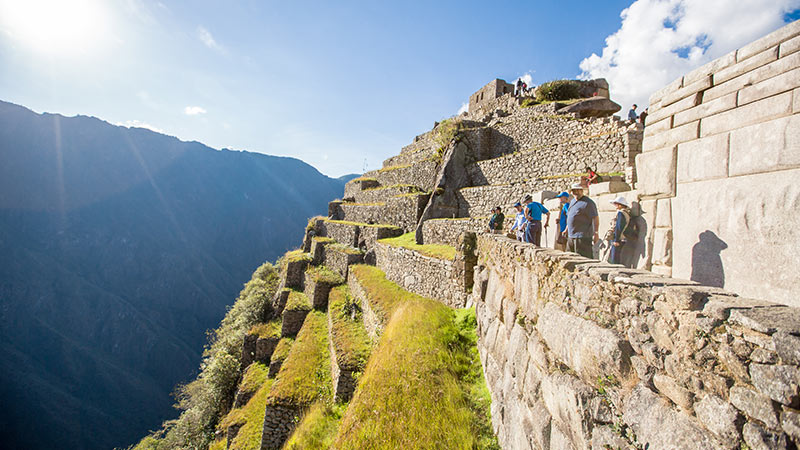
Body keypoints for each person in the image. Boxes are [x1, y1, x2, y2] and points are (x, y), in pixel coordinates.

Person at [566, 183, 599, 258]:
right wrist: (566, 229)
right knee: (570, 258)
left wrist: (596, 233)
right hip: (571, 236)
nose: (575, 192)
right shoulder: (572, 201)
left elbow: (595, 217)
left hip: (582, 236)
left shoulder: (588, 203)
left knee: (583, 258)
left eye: (577, 190)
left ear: (581, 191)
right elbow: (570, 216)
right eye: (573, 191)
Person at [609, 196, 631, 265]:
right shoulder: (626, 213)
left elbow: (619, 227)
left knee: (614, 258)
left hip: (619, 238)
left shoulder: (621, 213)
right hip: (621, 238)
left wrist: (616, 240)